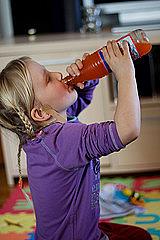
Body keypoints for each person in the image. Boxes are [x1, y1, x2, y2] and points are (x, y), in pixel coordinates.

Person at [0, 40, 152, 240]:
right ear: (39, 113)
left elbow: (72, 108)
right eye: (48, 79)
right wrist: (126, 75)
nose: (57, 75)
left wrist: (88, 80)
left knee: (136, 234)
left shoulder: (42, 134)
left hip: (69, 233)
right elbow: (127, 129)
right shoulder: (61, 142)